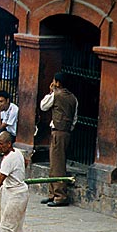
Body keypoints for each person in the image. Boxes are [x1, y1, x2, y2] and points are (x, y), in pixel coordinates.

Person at [39, 71, 78, 207]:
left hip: (58, 132)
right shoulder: (73, 98)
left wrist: (51, 92)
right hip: (66, 131)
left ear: (57, 83)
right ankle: (52, 193)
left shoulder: (55, 95)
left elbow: (43, 106)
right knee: (55, 163)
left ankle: (60, 195)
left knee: (57, 165)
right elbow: (74, 118)